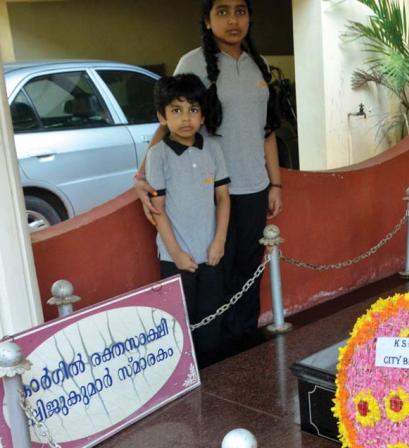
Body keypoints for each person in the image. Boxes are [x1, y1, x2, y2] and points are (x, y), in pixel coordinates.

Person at [135, 0, 283, 346]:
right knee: (217, 270)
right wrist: (142, 176)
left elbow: (268, 130)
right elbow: (170, 121)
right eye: (223, 11)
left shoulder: (258, 66)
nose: (233, 20)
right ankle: (219, 351)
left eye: (241, 11)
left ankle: (244, 341)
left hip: (253, 186)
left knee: (248, 268)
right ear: (207, 20)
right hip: (208, 192)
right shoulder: (192, 63)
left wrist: (275, 183)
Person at [147, 74, 230, 366]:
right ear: (162, 116)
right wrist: (178, 254)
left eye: (193, 109)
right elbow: (158, 209)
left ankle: (216, 384)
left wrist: (219, 241)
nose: (186, 118)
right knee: (180, 327)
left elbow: (223, 198)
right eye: (176, 110)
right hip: (175, 258)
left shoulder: (213, 149)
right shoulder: (158, 156)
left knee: (211, 325)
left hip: (211, 254)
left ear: (203, 115)